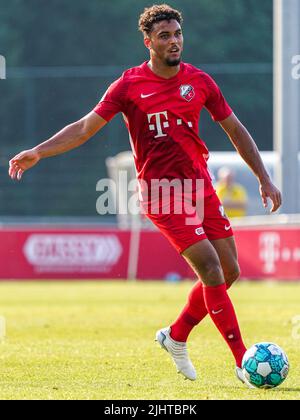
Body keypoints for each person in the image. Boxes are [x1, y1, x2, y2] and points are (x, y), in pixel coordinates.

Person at [8, 4, 282, 386]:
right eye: (165, 36)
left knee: (230, 270)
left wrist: (264, 178)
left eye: (177, 34)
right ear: (148, 41)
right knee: (212, 270)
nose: (174, 42)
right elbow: (86, 127)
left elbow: (235, 129)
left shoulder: (200, 81)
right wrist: (40, 149)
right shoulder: (128, 85)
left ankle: (176, 335)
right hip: (161, 193)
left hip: (199, 186)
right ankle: (243, 362)